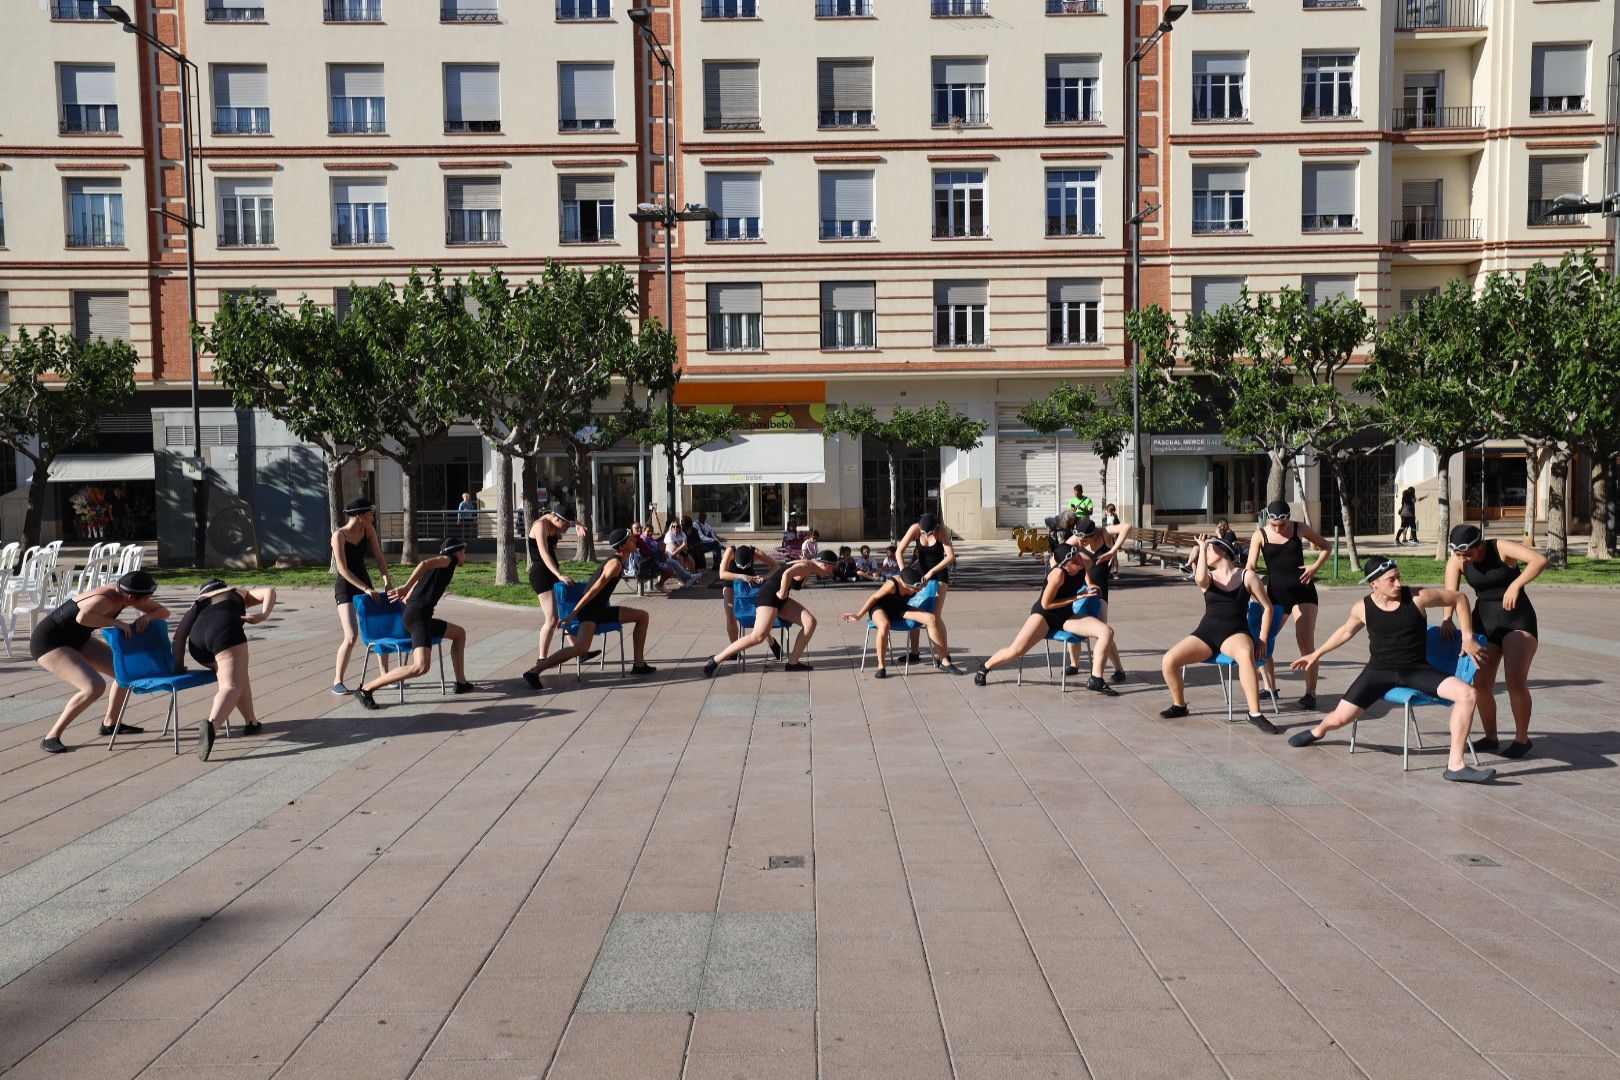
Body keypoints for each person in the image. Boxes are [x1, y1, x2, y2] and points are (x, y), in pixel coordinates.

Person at [1287, 557, 1493, 783]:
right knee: (1338, 719)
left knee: (1468, 694)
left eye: (1398, 578)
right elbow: (1346, 631)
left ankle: (1455, 765)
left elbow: (1459, 598)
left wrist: (1467, 636)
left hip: (1416, 670)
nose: (1398, 584)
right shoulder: (1362, 607)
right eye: (1391, 580)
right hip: (1378, 671)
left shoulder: (1417, 597)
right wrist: (1316, 654)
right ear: (1373, 584)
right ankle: (1319, 731)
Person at [31, 571, 170, 754]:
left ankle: (110, 724)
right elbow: (83, 617)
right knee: (93, 687)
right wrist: (117, 623)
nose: (147, 602)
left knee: (125, 672)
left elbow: (163, 612)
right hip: (49, 642)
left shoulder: (125, 595)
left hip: (77, 639)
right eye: (145, 599)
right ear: (130, 597)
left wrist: (147, 617)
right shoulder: (105, 599)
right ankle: (52, 736)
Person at [1442, 524, 1546, 760]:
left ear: (1479, 545)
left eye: (1467, 553)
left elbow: (1539, 560)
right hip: (1484, 622)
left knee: (1515, 681)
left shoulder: (1500, 548)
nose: (1463, 559)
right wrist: (1447, 619)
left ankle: (1522, 739)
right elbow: (1451, 594)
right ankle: (1491, 738)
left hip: (1517, 619)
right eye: (1458, 554)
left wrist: (1516, 584)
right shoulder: (1457, 561)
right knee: (1481, 683)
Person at [1158, 535, 1278, 732]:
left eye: (1208, 549)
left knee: (1245, 655)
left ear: (1222, 551)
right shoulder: (1209, 578)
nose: (1203, 553)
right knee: (1168, 660)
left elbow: (1268, 608)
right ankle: (1179, 705)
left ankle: (1254, 713)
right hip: (1207, 632)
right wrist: (1203, 547)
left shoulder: (1247, 576)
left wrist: (1263, 639)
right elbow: (1199, 578)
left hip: (1235, 631)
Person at [972, 541, 1117, 695]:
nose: (1078, 561)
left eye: (1077, 556)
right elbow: (1046, 604)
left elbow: (1086, 568)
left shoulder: (1083, 562)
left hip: (1067, 616)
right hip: (1044, 615)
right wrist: (1077, 597)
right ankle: (985, 667)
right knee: (1016, 650)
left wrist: (1090, 584)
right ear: (1064, 565)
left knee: (1106, 632)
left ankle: (1096, 680)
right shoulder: (1058, 575)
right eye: (1073, 560)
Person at [528, 528, 657, 687]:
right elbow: (592, 591)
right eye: (631, 540)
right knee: (581, 648)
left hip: (600, 610)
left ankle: (639, 665)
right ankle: (535, 670)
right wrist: (573, 614)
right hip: (591, 611)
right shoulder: (615, 564)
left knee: (642, 616)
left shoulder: (621, 560)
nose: (634, 541)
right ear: (622, 546)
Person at [356, 539, 476, 709]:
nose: (465, 555)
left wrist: (408, 595)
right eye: (464, 551)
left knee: (459, 633)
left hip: (418, 617)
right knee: (421, 667)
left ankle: (461, 682)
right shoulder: (449, 560)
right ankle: (366, 689)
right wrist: (405, 587)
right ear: (456, 552)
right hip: (419, 617)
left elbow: (412, 592)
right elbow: (424, 563)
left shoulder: (435, 570)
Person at [171, 579, 277, 760]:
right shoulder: (237, 592)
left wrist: (178, 667)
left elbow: (179, 636)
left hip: (198, 644)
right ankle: (212, 725)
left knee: (238, 673)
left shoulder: (198, 603)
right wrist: (263, 614)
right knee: (231, 685)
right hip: (225, 631)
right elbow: (269, 590)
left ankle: (251, 721)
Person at [1248, 499, 1330, 710]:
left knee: (1305, 642)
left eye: (1282, 524)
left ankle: (1310, 693)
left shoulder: (1299, 528)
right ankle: (1269, 687)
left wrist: (1315, 567)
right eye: (1275, 524)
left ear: (1288, 519)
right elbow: (1250, 567)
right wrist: (1249, 589)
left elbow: (1326, 546)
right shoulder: (1260, 535)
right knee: (1263, 640)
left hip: (1304, 591)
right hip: (1276, 595)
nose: (1278, 527)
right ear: (1269, 519)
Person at [704, 551, 838, 675]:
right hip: (768, 598)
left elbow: (784, 573)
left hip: (778, 599)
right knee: (757, 637)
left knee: (810, 622)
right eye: (832, 568)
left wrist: (782, 594)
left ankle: (793, 663)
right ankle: (716, 659)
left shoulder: (808, 566)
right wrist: (782, 593)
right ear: (825, 564)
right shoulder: (806, 566)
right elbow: (786, 574)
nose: (831, 572)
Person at [842, 566, 962, 678]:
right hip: (880, 608)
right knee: (884, 625)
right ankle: (881, 666)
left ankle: (944, 661)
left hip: (900, 608)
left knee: (931, 619)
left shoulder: (914, 581)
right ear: (907, 586)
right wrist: (858, 616)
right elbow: (874, 598)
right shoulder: (892, 585)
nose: (919, 591)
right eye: (916, 589)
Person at [330, 497, 393, 696]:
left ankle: (385, 675)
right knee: (351, 636)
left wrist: (386, 581)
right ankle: (337, 681)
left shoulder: (368, 531)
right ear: (358, 516)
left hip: (365, 583)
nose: (372, 518)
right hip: (346, 587)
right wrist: (365, 589)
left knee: (379, 631)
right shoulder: (339, 535)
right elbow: (342, 569)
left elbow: (379, 557)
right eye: (369, 515)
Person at [1064, 516, 1131, 682]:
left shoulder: (1104, 534)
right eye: (1079, 540)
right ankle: (1074, 663)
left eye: (1084, 540)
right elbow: (1059, 554)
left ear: (1092, 535)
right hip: (1082, 588)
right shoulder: (1077, 539)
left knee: (1103, 631)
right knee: (1075, 624)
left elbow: (1127, 526)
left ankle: (1119, 670)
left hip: (1101, 590)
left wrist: (1113, 550)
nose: (1081, 543)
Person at [528, 502, 587, 674]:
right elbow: (544, 553)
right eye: (565, 526)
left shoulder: (555, 519)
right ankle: (541, 659)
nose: (565, 529)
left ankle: (577, 651)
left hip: (552, 572)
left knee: (563, 615)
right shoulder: (540, 526)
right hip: (541, 574)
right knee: (552, 619)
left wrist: (579, 525)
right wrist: (559, 574)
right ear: (556, 518)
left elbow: (569, 519)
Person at [896, 513, 957, 663]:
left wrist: (931, 572)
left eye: (929, 533)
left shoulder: (941, 531)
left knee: (935, 615)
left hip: (939, 575)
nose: (926, 535)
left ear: (935, 528)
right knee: (915, 610)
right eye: (923, 532)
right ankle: (915, 653)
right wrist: (904, 573)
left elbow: (950, 557)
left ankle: (944, 654)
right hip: (920, 575)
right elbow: (899, 551)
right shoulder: (915, 529)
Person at [719, 543, 781, 654]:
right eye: (740, 567)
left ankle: (770, 640)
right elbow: (722, 574)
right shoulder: (730, 551)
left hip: (750, 582)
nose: (743, 569)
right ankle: (734, 651)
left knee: (756, 615)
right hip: (731, 581)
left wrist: (764, 577)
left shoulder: (755, 552)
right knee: (730, 615)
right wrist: (741, 576)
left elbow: (776, 566)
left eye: (745, 566)